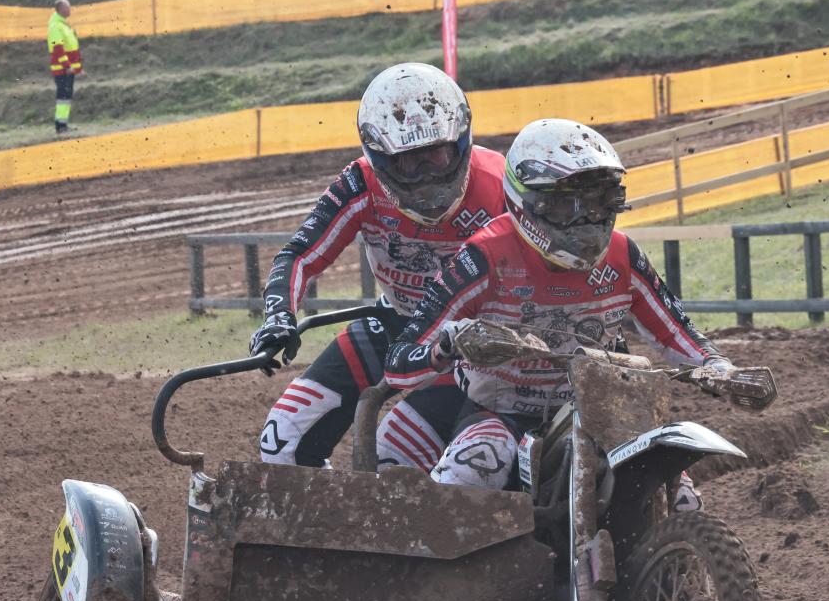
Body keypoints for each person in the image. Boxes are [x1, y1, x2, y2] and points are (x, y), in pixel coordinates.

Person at [383, 118, 732, 506]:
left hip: (604, 410)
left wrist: (718, 367)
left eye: (599, 203)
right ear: (529, 202)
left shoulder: (622, 255)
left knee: (681, 497)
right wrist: (441, 349)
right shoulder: (484, 256)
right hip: (502, 415)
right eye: (568, 206)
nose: (586, 220)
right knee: (474, 467)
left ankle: (681, 541)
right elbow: (399, 360)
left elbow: (675, 331)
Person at [249, 62, 506, 468]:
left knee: (395, 453)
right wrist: (279, 316)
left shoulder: (500, 185)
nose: (425, 177)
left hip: (475, 344)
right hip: (396, 321)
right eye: (408, 163)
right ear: (380, 159)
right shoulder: (360, 182)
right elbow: (299, 254)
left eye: (436, 156)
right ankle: (330, 513)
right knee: (282, 438)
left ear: (460, 141)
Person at [47, 0, 82, 134]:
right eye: (68, 7)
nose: (70, 10)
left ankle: (63, 124)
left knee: (66, 97)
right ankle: (60, 126)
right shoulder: (56, 26)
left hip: (67, 69)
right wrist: (67, 66)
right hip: (62, 70)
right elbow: (58, 49)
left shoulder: (63, 25)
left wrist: (77, 67)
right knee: (63, 97)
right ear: (61, 9)